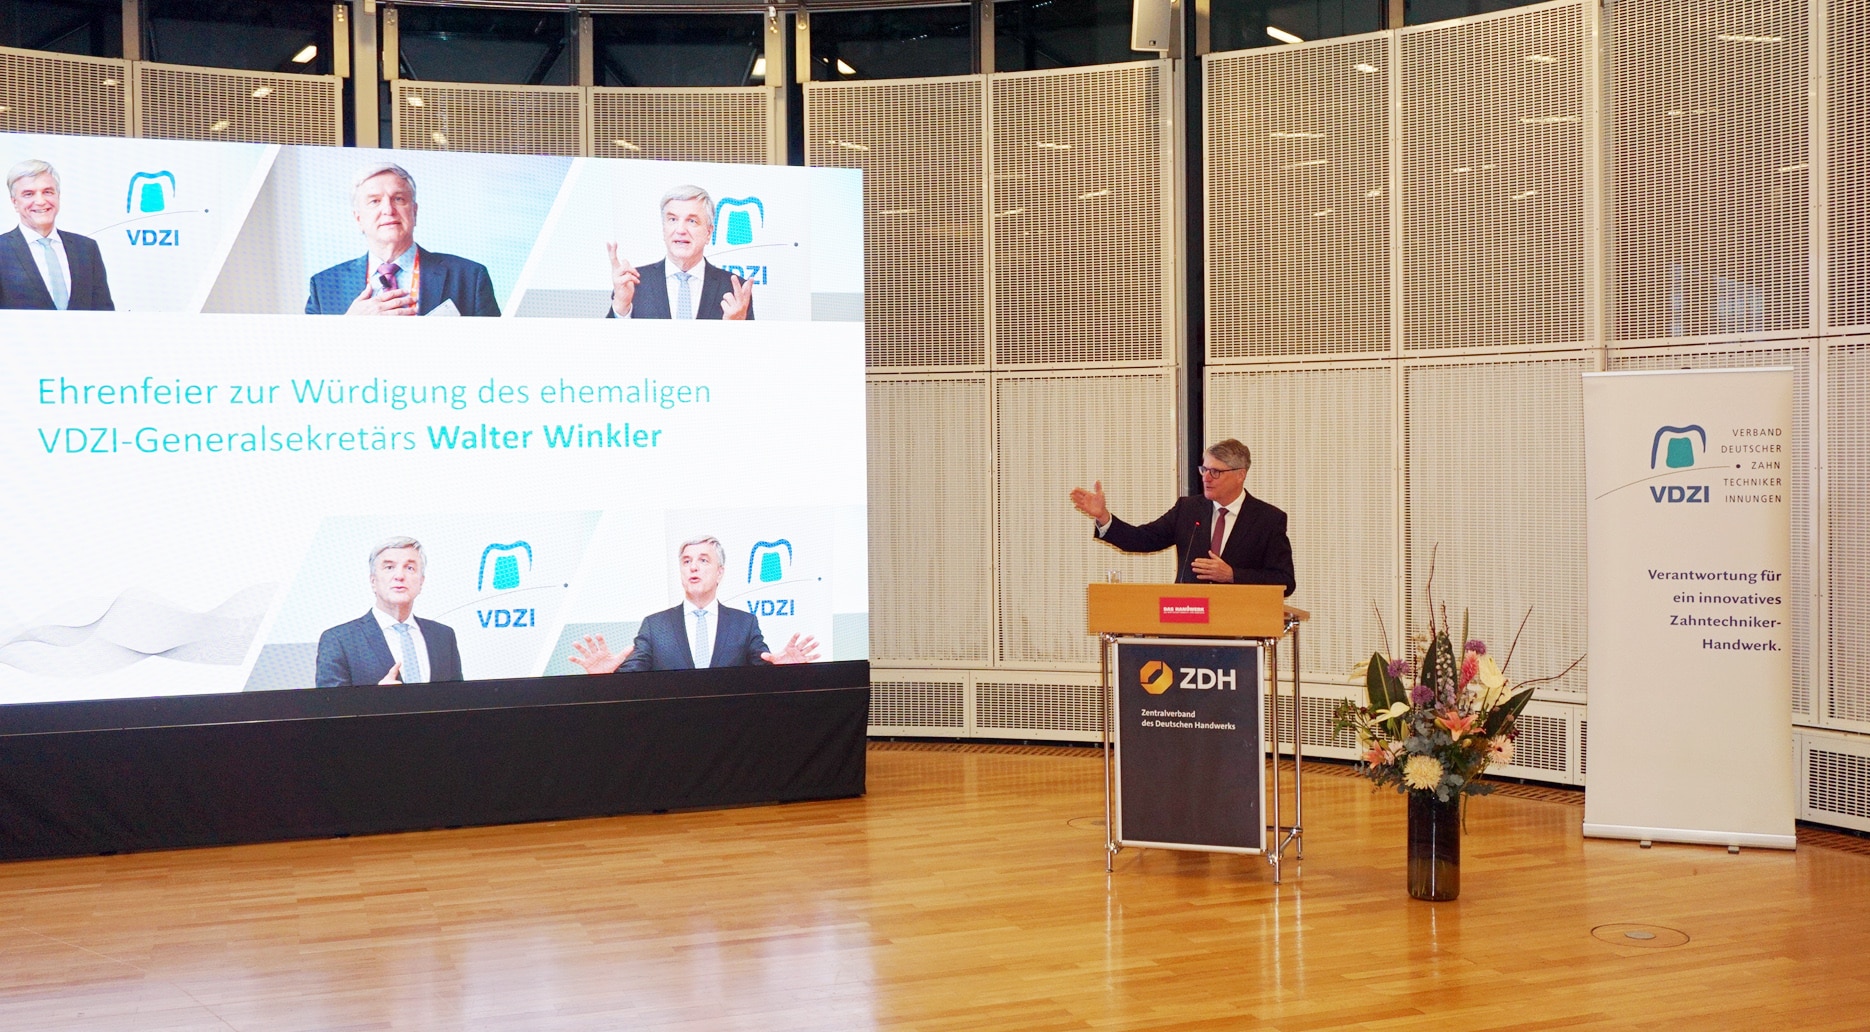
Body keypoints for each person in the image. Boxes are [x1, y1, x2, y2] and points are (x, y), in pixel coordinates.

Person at [1070, 438, 1296, 595]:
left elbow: (1284, 581)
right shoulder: (1188, 509)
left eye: (1215, 472)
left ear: (1240, 475)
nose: (1206, 478)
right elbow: (1141, 539)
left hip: (1241, 629)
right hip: (1188, 620)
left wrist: (1232, 575)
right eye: (1204, 469)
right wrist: (1104, 517)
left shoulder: (1268, 519)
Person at [568, 536, 816, 674]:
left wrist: (784, 672)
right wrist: (608, 677)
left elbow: (762, 673)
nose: (693, 567)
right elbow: (633, 677)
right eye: (686, 562)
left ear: (719, 572)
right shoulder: (655, 626)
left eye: (703, 560)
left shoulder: (744, 624)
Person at [305, 163, 499, 317]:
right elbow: (308, 353)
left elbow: (495, 348)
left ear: (414, 212)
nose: (388, 210)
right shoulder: (324, 286)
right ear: (358, 219)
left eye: (398, 199)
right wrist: (347, 327)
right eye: (374, 201)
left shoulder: (469, 276)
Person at [315, 536, 464, 687]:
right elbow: (331, 702)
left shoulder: (443, 636)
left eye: (409, 568)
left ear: (421, 582)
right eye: (389, 567)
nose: (399, 576)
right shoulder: (339, 640)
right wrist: (378, 697)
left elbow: (459, 698)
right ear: (373, 581)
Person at [605, 185, 753, 321]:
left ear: (709, 233)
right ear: (664, 229)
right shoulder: (633, 283)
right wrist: (621, 308)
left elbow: (751, 341)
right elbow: (608, 340)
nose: (681, 230)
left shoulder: (735, 290)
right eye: (673, 219)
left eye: (692, 221)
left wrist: (736, 327)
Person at [0, 159, 114, 311]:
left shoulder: (86, 249)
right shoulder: (2, 249)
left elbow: (104, 313)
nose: (40, 201)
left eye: (47, 192)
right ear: (15, 202)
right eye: (29, 194)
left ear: (58, 196)